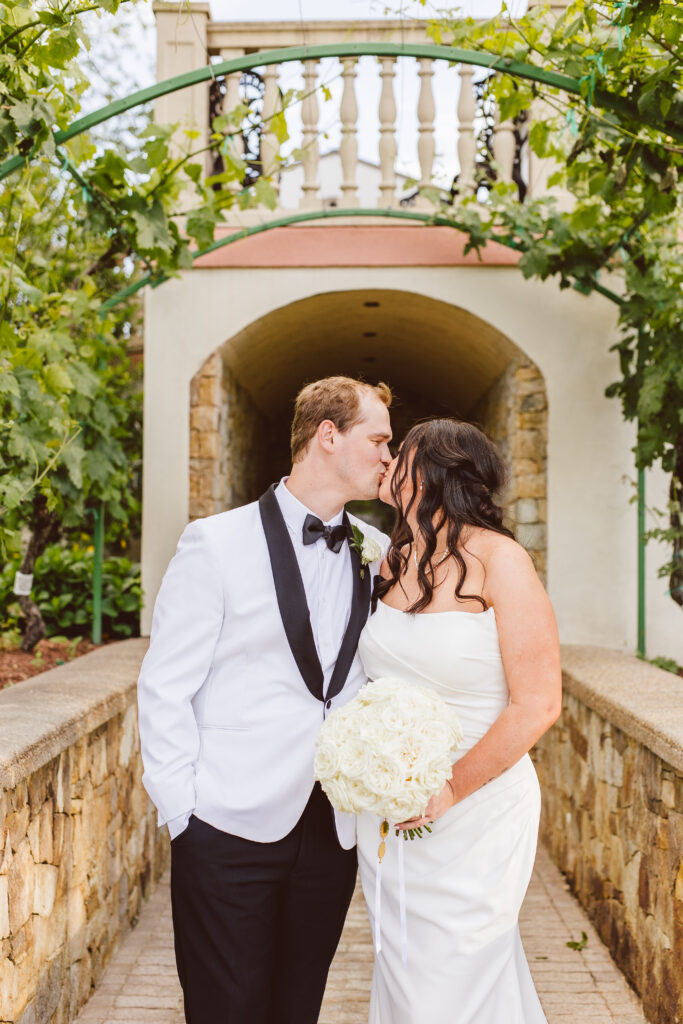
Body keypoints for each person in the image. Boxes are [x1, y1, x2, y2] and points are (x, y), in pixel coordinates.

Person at [137, 376, 393, 1024]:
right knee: (226, 1009)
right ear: (327, 436)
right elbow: (165, 684)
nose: (389, 456)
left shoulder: (378, 552)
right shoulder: (214, 543)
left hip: (329, 827)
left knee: (296, 1008)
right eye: (379, 439)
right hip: (225, 822)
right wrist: (181, 812)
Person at [356, 418, 562, 1024]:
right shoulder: (392, 560)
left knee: (453, 976)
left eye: (404, 453)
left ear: (439, 473)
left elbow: (538, 703)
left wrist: (449, 789)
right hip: (393, 814)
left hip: (478, 809)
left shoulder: (502, 561)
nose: (390, 462)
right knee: (404, 969)